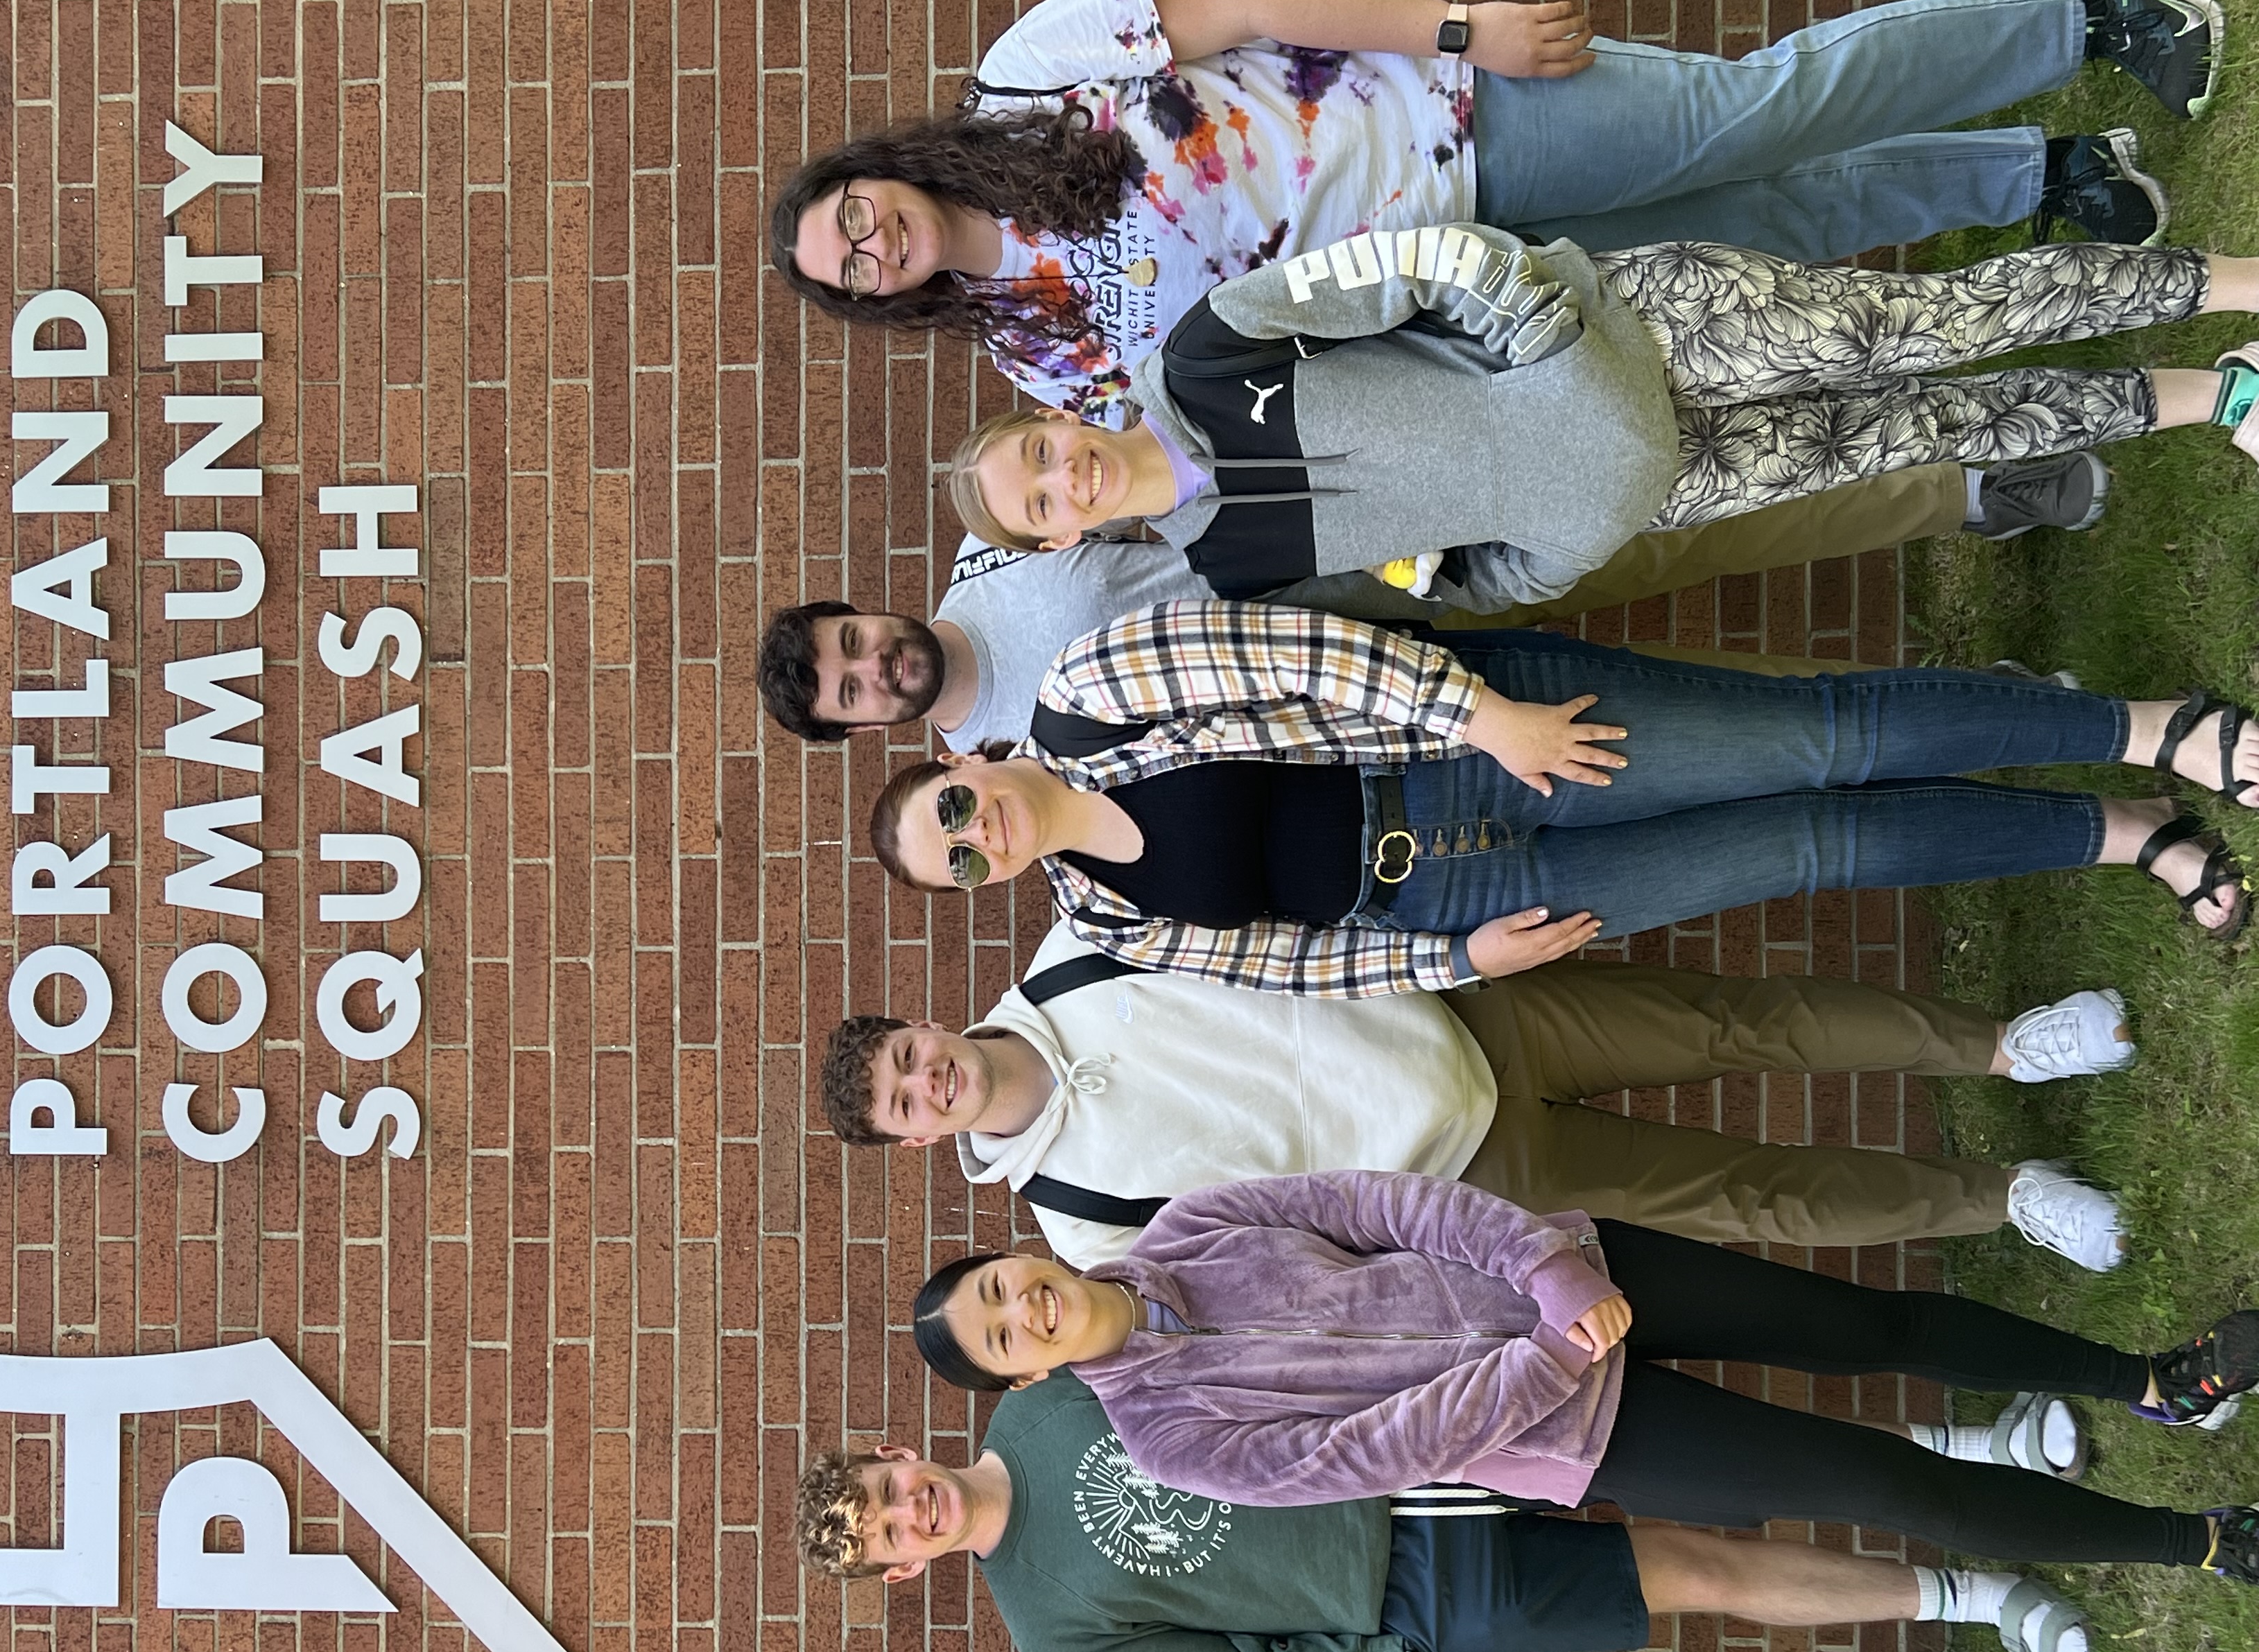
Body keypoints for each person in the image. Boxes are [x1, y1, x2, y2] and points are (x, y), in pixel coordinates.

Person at [903, 1170, 2259, 1652]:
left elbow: (1390, 1205)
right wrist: (1548, 1361)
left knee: (1879, 1328)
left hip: (1578, 1272)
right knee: (1889, 1485)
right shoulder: (1172, 1445)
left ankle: (2157, 1381)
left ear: (1015, 1257)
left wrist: (1549, 1275)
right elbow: (1387, 1451)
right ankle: (2196, 1542)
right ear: (1026, 1382)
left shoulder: (1187, 1226)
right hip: (1581, 1430)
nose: (1024, 1309)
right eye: (1005, 1335)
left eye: (999, 1286)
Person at [768, 0, 2214, 419]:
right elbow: (1244, 396)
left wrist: (1457, 29)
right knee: (1765, 234)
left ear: (872, 169)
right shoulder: (1042, 359)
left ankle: (2089, 23)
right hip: (1464, 276)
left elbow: (1246, 6)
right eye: (852, 268)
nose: (872, 242)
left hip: (1460, 115)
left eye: (852, 213)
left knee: (1760, 107)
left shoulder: (1025, 80)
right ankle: (2047, 181)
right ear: (871, 301)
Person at [864, 602, 2259, 1009]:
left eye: (955, 817)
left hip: (1467, 745)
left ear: (963, 762)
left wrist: (1489, 717)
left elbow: (1297, 655)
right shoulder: (1115, 923)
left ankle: (2161, 733)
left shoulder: (1093, 694)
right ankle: (2127, 834)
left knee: (1814, 739)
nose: (982, 842)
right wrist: (1456, 962)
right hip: (1459, 894)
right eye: (965, 869)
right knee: (1817, 845)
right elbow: (1297, 966)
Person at [941, 233, 2259, 609]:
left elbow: (1412, 265)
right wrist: (1558, 553)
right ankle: (2216, 396)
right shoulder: (1236, 564)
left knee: (1919, 328)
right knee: (1924, 434)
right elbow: (1433, 573)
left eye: (1040, 453)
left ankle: (2228, 284)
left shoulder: (1210, 349)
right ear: (1062, 541)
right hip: (1664, 480)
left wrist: (1550, 343)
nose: (1066, 479)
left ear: (1060, 416)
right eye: (1043, 502)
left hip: (1636, 331)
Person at [791, 1354, 2133, 1652]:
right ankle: (1968, 1598)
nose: (906, 1509)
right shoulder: (1047, 1626)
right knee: (1693, 1568)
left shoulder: (1042, 1403)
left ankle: (1963, 1453)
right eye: (886, 1536)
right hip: (1413, 1596)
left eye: (886, 1485)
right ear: (904, 1571)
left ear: (900, 1451)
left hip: (1409, 1447)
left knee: (1696, 1458)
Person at [820, 921, 2145, 1269]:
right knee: (1747, 1200)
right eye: (905, 1107)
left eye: (905, 1058)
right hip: (1465, 1187)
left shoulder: (1075, 956)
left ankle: (2009, 1048)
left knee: (1747, 1023)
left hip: (1461, 1009)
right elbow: (1262, 1258)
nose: (926, 1083)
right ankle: (2004, 1198)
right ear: (920, 1139)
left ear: (923, 1024)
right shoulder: (1074, 1218)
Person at [758, 456, 2110, 750]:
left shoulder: (990, 554)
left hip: (1375, 552)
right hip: (1390, 712)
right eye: (852, 688)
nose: (874, 665)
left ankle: (1974, 492)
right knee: (1686, 694)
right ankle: (1999, 708)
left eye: (851, 641)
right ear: (866, 725)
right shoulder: (990, 775)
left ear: (865, 613)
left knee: (1664, 539)